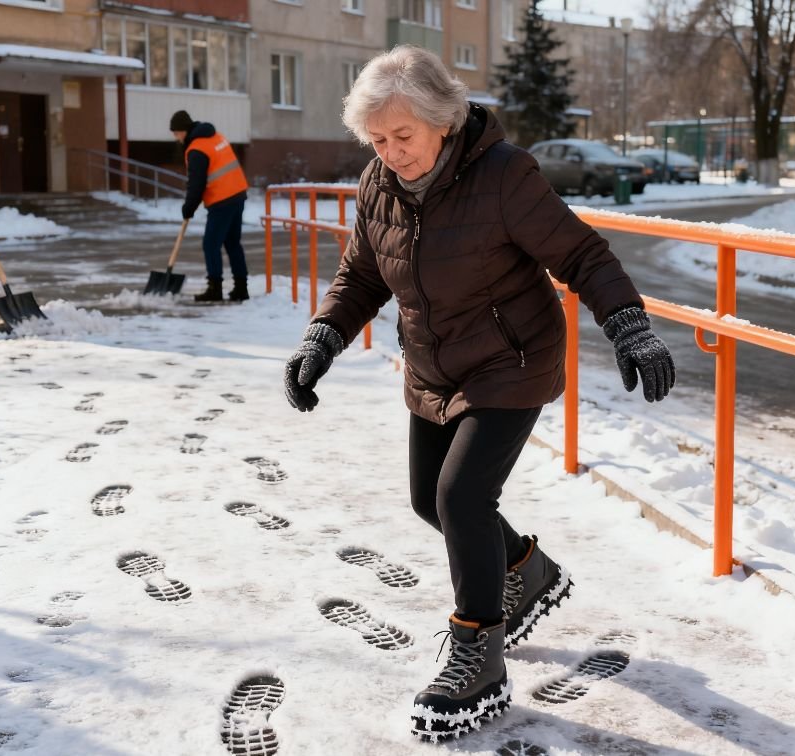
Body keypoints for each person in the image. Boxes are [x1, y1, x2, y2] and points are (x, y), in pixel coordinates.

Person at [281, 46, 675, 741]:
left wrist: (628, 326)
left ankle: (479, 656)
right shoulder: (379, 185)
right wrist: (322, 338)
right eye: (377, 140)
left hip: (511, 358)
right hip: (434, 365)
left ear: (442, 121)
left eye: (402, 136)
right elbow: (362, 277)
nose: (391, 152)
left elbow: (582, 254)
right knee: (425, 497)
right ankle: (527, 570)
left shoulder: (504, 176)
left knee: (462, 497)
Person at [170, 110, 249, 302]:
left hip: (222, 199)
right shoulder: (215, 136)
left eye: (176, 133)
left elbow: (196, 184)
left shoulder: (196, 149)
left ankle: (215, 288)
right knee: (232, 243)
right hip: (238, 194)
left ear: (183, 131)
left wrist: (189, 207)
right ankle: (241, 288)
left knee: (210, 244)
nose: (176, 138)